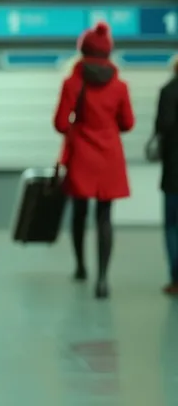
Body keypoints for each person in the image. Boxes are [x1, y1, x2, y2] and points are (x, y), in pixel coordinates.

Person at [53, 22, 135, 300]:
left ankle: (80, 267)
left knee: (79, 212)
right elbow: (128, 123)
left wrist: (80, 124)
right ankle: (103, 280)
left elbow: (61, 123)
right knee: (105, 216)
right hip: (110, 156)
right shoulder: (120, 87)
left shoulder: (72, 83)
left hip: (81, 156)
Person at [154, 55, 178, 296]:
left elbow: (163, 126)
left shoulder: (168, 91)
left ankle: (175, 279)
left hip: (173, 169)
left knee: (172, 225)